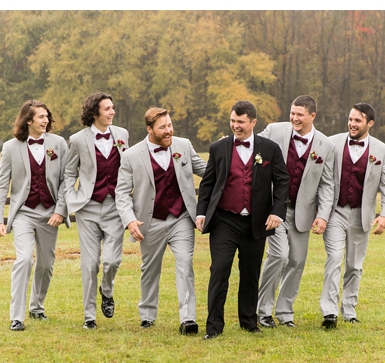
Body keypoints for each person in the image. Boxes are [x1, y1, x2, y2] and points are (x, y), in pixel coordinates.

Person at [195, 100, 289, 340]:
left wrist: (277, 212)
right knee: (219, 270)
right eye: (233, 121)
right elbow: (208, 183)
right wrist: (201, 212)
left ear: (253, 122)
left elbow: (282, 182)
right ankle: (214, 326)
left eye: (241, 122)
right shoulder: (218, 148)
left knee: (250, 272)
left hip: (256, 222)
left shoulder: (269, 149)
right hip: (225, 220)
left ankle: (249, 322)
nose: (235, 126)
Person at [114, 107, 206, 334]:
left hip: (181, 218)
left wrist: (227, 154)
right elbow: (122, 192)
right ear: (150, 129)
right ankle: (147, 314)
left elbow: (207, 170)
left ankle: (188, 319)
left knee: (185, 264)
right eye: (163, 127)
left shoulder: (183, 145)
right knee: (150, 268)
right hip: (150, 220)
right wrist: (130, 220)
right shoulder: (131, 156)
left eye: (170, 125)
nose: (169, 131)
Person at [255, 95, 336, 329]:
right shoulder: (275, 131)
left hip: (303, 214)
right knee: (279, 255)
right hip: (273, 209)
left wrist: (322, 214)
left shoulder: (325, 145)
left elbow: (327, 184)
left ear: (312, 116)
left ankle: (285, 312)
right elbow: (250, 145)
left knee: (297, 261)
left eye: (300, 114)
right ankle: (263, 311)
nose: (294, 118)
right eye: (292, 113)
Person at [0, 99, 70, 331]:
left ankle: (37, 307)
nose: (46, 120)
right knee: (24, 259)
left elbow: (66, 181)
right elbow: (1, 184)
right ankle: (17, 317)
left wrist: (60, 211)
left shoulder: (58, 144)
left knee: (46, 265)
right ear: (28, 120)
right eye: (41, 117)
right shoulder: (10, 147)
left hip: (50, 213)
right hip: (24, 212)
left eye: (47, 116)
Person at [320, 103, 385, 329]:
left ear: (369, 124)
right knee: (334, 259)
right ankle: (329, 312)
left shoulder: (381, 150)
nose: (352, 124)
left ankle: (349, 309)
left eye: (357, 121)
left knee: (355, 265)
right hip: (336, 211)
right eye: (350, 119)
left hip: (363, 215)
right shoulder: (332, 143)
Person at [61, 92, 128, 329]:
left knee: (112, 260)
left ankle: (106, 290)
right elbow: (70, 171)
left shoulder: (122, 135)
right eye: (107, 108)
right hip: (87, 208)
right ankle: (89, 316)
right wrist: (71, 196)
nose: (112, 112)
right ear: (95, 113)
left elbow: (127, 166)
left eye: (113, 108)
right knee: (90, 264)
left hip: (115, 207)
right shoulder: (78, 139)